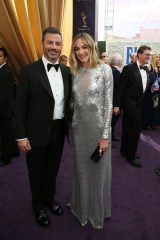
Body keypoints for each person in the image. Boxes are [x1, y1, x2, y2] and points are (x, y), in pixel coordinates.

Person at [15, 27, 71, 227]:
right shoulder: (29, 70)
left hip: (58, 130)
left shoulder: (66, 71)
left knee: (53, 169)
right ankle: (38, 206)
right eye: (50, 43)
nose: (54, 47)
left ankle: (49, 198)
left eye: (57, 43)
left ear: (61, 46)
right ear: (42, 44)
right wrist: (21, 135)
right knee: (36, 171)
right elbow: (19, 105)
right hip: (35, 132)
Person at [68, 32, 113, 229]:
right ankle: (81, 207)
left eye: (84, 47)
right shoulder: (76, 72)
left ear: (92, 47)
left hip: (98, 131)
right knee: (81, 170)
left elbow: (109, 104)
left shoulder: (104, 70)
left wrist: (105, 135)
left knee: (98, 171)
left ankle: (95, 212)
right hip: (79, 130)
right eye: (77, 48)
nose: (81, 52)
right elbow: (74, 103)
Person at [113, 45, 151, 168]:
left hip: (140, 104)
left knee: (128, 128)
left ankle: (124, 151)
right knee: (135, 130)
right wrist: (117, 105)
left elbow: (143, 86)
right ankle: (131, 155)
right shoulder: (129, 68)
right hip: (130, 104)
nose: (148, 57)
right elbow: (121, 88)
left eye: (150, 55)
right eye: (146, 54)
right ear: (139, 55)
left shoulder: (147, 69)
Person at [0, 47, 17, 166]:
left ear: (5, 58)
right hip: (7, 109)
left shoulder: (5, 73)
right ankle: (14, 152)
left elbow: (5, 96)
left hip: (4, 110)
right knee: (9, 133)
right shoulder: (4, 70)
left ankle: (6, 158)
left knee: (5, 134)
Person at [108, 53, 123, 143]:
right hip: (114, 101)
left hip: (112, 100)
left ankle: (111, 137)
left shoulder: (111, 70)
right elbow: (118, 89)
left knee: (111, 122)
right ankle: (109, 139)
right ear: (119, 62)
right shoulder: (116, 72)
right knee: (111, 122)